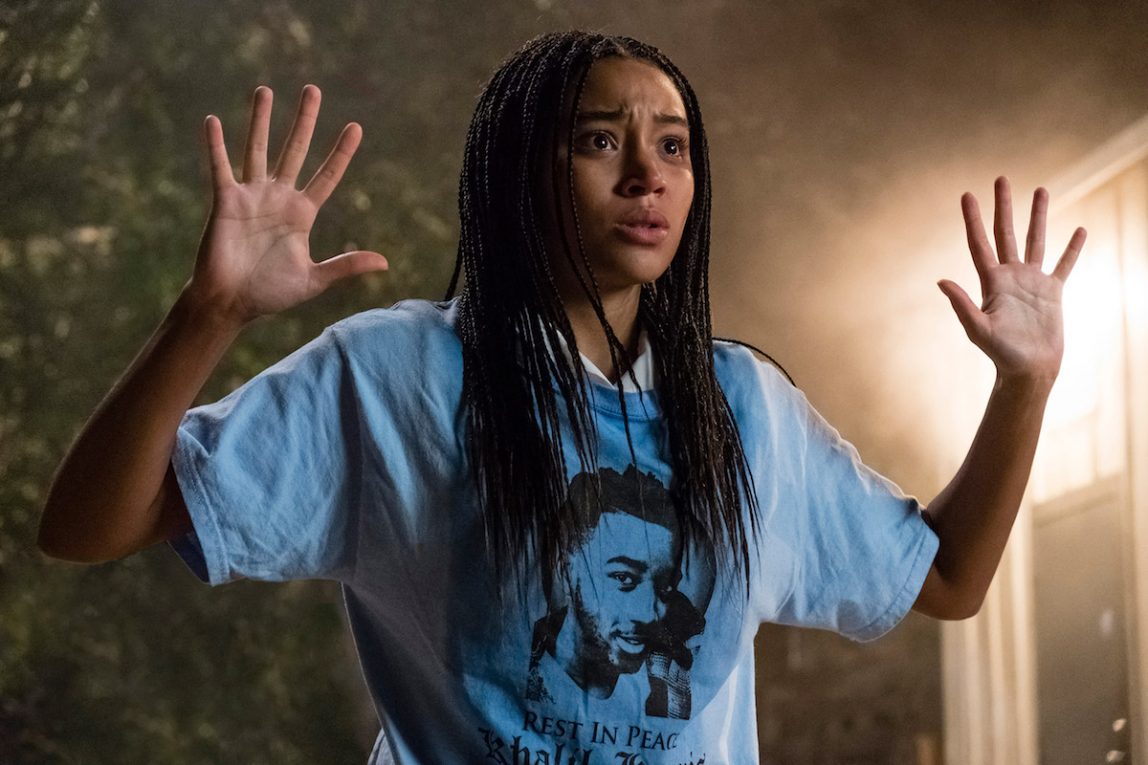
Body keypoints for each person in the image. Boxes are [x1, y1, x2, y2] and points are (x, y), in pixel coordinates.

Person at [37, 30, 1086, 764]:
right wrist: (209, 314)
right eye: (598, 140)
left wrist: (1024, 385)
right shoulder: (398, 375)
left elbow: (946, 579)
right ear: (519, 174)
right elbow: (87, 526)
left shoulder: (744, 408)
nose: (646, 174)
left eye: (672, 145)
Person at [525, 465, 714, 721]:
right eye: (624, 578)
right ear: (567, 569)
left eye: (664, 588)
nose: (647, 615)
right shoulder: (524, 664)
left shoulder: (666, 689)